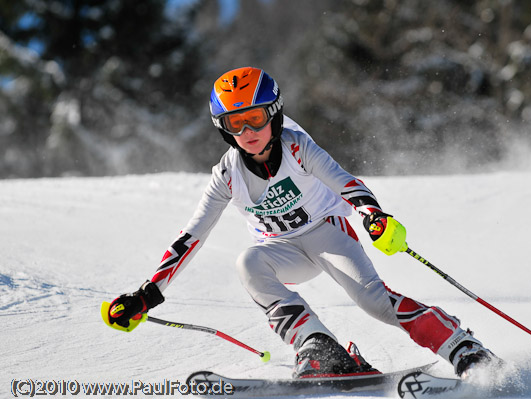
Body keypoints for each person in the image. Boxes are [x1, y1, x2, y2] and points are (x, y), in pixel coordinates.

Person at [102, 66, 497, 378]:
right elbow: (191, 237)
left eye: (255, 118)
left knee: (373, 301)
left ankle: (462, 347)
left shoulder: (296, 146)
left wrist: (372, 215)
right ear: (223, 129)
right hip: (283, 250)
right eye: (235, 123)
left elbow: (346, 183)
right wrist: (146, 294)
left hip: (327, 233)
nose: (248, 132)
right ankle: (320, 349)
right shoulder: (227, 175)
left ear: (273, 115)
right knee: (248, 263)